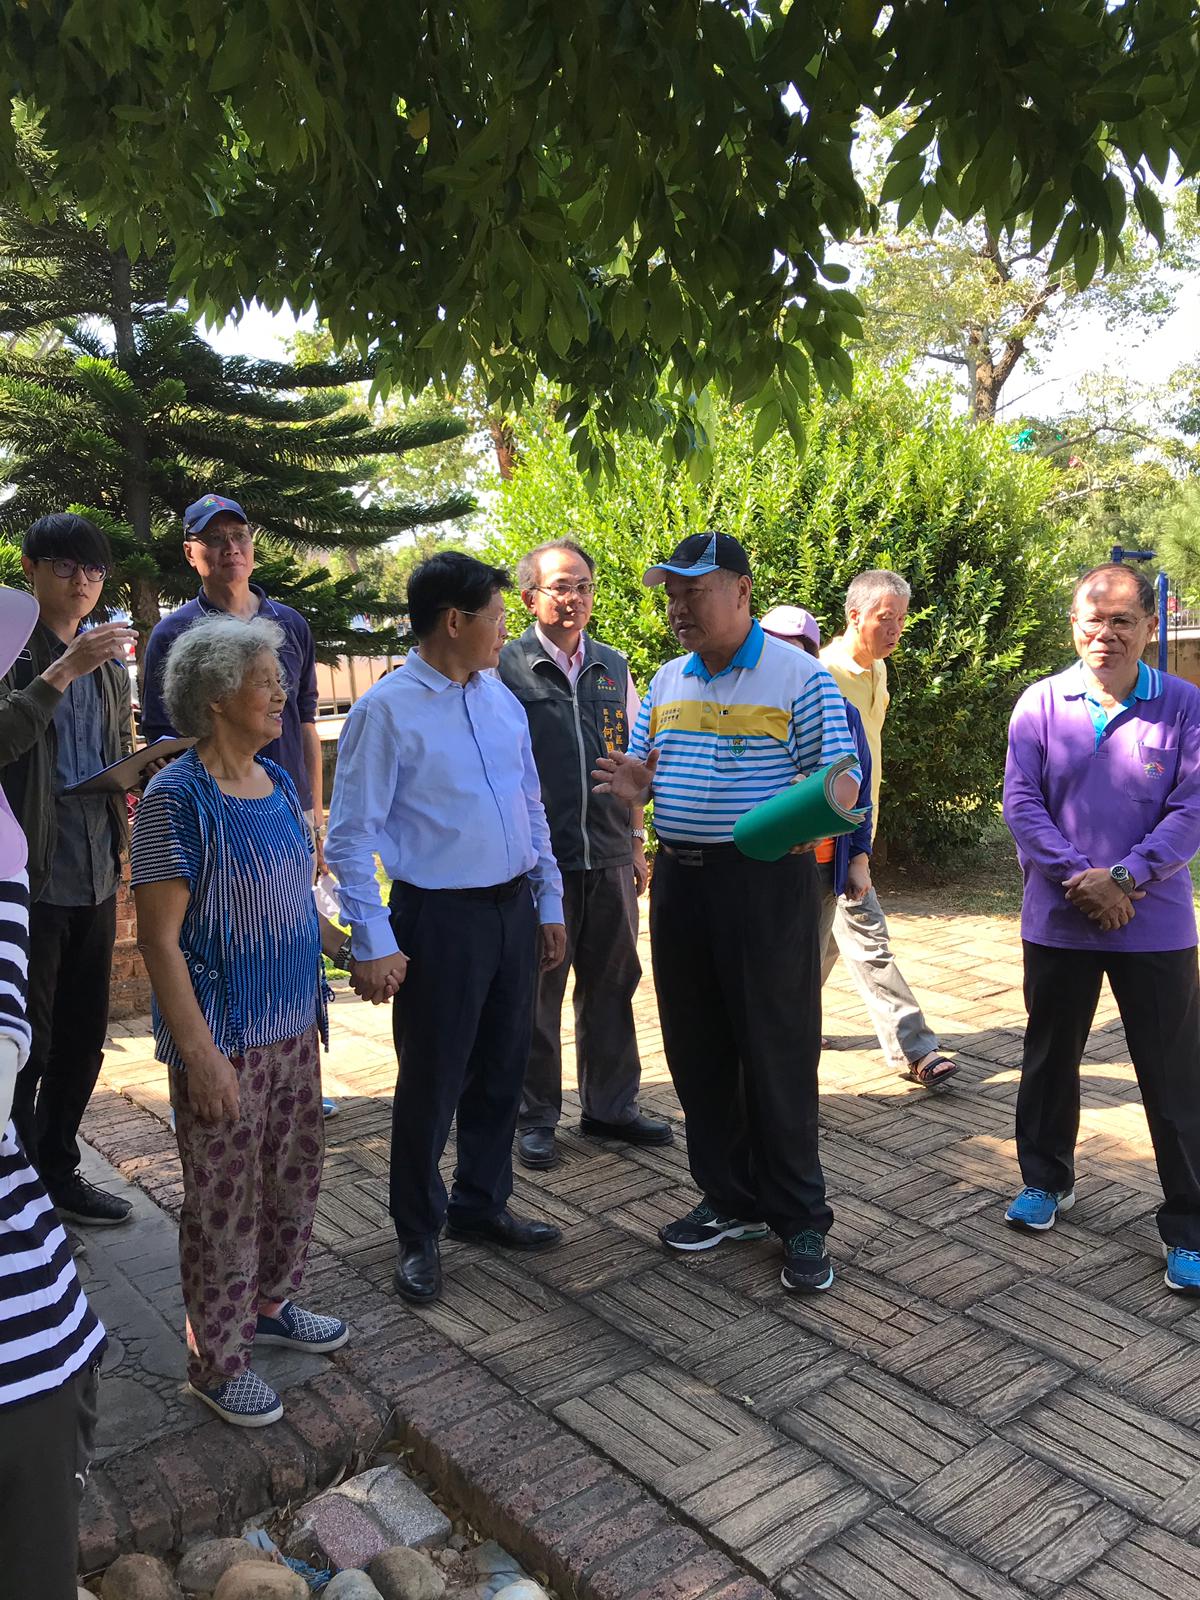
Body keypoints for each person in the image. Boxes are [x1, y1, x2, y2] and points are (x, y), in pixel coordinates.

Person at [593, 533, 860, 1294]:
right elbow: (647, 767)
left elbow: (841, 782)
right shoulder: (665, 679)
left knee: (777, 1050)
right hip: (682, 883)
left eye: (695, 591)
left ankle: (800, 1218)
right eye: (672, 594)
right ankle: (729, 1197)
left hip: (765, 881)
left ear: (741, 591)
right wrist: (640, 786)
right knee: (697, 1048)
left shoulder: (800, 678)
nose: (678, 608)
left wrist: (795, 822)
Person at [325, 552, 567, 1307]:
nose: (505, 630)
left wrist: (549, 902)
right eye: (496, 617)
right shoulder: (386, 711)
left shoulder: (500, 698)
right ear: (454, 621)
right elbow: (349, 837)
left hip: (512, 910)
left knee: (502, 1067)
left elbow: (530, 806)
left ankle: (481, 1204)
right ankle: (418, 1232)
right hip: (439, 919)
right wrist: (373, 940)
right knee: (433, 1081)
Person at [132, 615, 350, 1427]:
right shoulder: (175, 799)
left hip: (294, 1026)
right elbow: (158, 941)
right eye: (266, 681)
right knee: (224, 1205)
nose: (282, 693)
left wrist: (344, 946)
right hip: (224, 1038)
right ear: (220, 695)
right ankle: (218, 1363)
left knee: (294, 1180)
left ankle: (271, 1306)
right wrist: (200, 1056)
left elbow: (291, 896)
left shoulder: (280, 783)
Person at [1002, 562, 1200, 1291]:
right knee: (1050, 1057)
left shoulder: (1183, 705)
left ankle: (1190, 1224)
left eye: (1122, 620)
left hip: (1155, 924)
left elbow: (1193, 807)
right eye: (1093, 619)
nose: (1105, 634)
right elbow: (1021, 802)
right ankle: (1044, 1179)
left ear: (1149, 626)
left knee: (1175, 1074)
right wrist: (1079, 877)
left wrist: (1126, 877)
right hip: (1059, 918)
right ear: (1073, 626)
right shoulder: (1040, 703)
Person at [141, 493, 339, 1116]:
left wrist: (312, 812)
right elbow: (161, 740)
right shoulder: (173, 634)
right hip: (213, 815)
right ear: (191, 553)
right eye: (215, 538)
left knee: (278, 920)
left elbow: (305, 722)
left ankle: (286, 1066)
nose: (231, 548)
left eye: (240, 536)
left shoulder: (289, 625)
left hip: (281, 808)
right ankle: (216, 1064)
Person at [498, 538, 670, 1170]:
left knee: (614, 983)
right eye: (560, 587)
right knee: (537, 992)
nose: (574, 599)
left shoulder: (612, 666)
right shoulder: (505, 668)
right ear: (530, 598)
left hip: (610, 854)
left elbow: (633, 759)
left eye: (584, 587)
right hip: (537, 862)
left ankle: (610, 1107)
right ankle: (535, 1117)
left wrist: (636, 840)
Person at [0, 585, 106, 1600]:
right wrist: (58, 675)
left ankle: (60, 1168)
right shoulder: (40, 657)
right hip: (27, 1356)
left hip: (34, 1338)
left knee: (70, 1044)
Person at [0, 513, 137, 1225]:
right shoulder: (10, 649)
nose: (81, 581)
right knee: (27, 1045)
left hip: (95, 872)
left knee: (84, 1041)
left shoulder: (109, 664)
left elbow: (117, 748)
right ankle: (18, 1195)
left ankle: (57, 1174)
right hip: (30, 878)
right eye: (64, 565)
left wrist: (139, 774)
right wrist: (62, 671)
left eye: (93, 569)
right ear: (29, 568)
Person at [818, 573, 956, 1086]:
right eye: (885, 618)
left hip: (859, 829)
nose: (896, 628)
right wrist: (851, 846)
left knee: (824, 944)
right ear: (855, 616)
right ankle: (914, 1048)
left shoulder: (876, 669)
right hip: (834, 837)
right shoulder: (824, 674)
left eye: (901, 618)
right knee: (868, 939)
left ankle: (787, 1020)